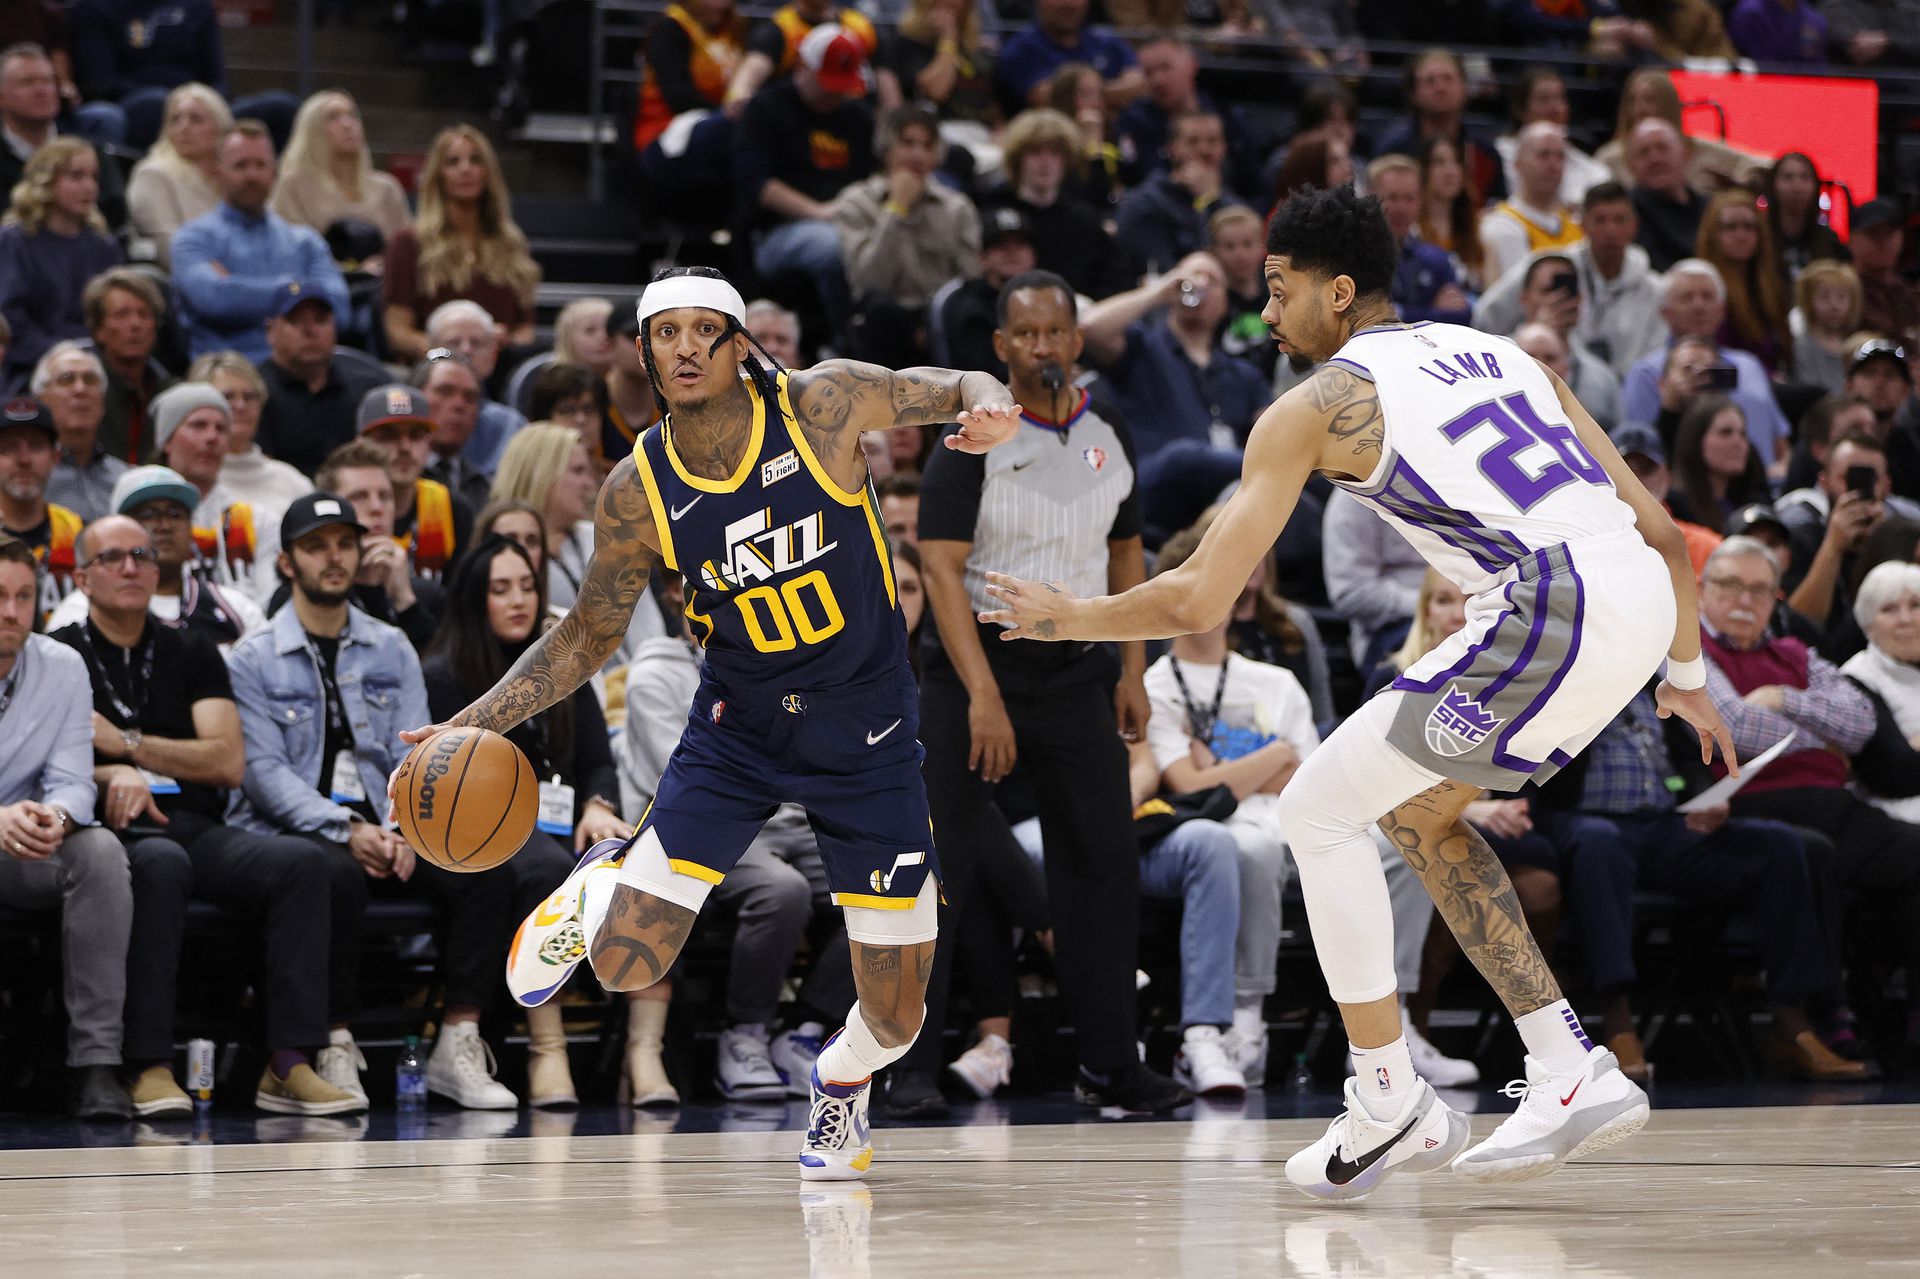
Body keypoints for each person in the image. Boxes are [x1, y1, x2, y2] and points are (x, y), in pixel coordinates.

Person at [983, 184, 1738, 1196]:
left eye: (1281, 288)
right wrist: (1683, 673)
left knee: (1316, 808)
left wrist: (1063, 615)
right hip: (1628, 596)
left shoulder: (1314, 406)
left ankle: (1392, 1095)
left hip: (1546, 602)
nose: (1268, 311)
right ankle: (1559, 1063)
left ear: (1338, 293)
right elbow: (1656, 527)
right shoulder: (1505, 352)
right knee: (1421, 817)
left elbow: (1204, 589)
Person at [398, 265, 1026, 1179]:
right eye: (667, 333)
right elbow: (584, 635)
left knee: (896, 1019)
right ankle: (602, 877)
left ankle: (838, 1089)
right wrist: (471, 724)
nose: (687, 347)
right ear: (646, 354)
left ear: (739, 345)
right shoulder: (635, 485)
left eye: (705, 330)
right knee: (620, 965)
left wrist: (992, 401)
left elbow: (955, 385)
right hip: (739, 732)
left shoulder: (824, 405)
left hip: (868, 742)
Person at [900, 267, 1188, 1117]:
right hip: (973, 668)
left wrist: (1134, 669)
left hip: (1077, 669)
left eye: (1054, 332)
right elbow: (941, 569)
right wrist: (983, 696)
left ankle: (1110, 1064)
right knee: (935, 868)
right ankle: (907, 1063)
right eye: (1023, 335)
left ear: (1075, 338)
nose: (1041, 347)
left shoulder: (1111, 428)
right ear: (1000, 346)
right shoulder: (972, 434)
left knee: (1102, 864)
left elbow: (1129, 550)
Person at [53, 513, 362, 1114]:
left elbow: (226, 761)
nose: (130, 567)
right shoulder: (61, 655)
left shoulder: (190, 649)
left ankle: (288, 1062)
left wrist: (126, 746)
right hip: (102, 829)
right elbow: (42, 760)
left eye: (142, 555)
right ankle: (148, 1064)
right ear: (83, 577)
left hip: (194, 822)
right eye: (112, 557)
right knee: (161, 865)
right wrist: (106, 772)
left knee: (302, 863)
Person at [228, 492, 521, 1110]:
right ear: (287, 563)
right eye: (315, 546)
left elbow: (420, 757)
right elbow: (264, 775)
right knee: (329, 872)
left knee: (486, 868)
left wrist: (406, 828)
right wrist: (347, 826)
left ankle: (459, 1040)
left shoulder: (391, 646)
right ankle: (335, 1042)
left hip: (395, 827)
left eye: (343, 543)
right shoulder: (252, 656)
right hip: (306, 829)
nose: (333, 558)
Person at [1147, 525, 1462, 1090]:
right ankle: (1247, 1022)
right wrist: (1273, 755)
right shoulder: (1154, 688)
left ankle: (1392, 1025)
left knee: (1405, 849)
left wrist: (1233, 770)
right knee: (1254, 848)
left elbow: (1310, 779)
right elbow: (1187, 786)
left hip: (1301, 823)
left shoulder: (1276, 681)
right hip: (1227, 833)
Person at [1535, 680, 1863, 1081]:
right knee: (1599, 844)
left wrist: (1709, 797)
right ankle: (1618, 1022)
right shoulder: (1554, 681)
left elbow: (1689, 762)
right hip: (1582, 819)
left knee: (1778, 846)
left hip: (1661, 824)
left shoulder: (1651, 687)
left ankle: (1790, 1019)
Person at [421, 534, 631, 1109]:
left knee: (641, 862)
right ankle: (547, 1048)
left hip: (564, 827)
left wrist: (598, 806)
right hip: (479, 832)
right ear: (473, 600)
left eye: (527, 586)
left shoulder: (560, 664)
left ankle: (646, 1051)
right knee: (545, 870)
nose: (518, 600)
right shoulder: (446, 674)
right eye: (500, 589)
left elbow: (596, 760)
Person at [1696, 536, 1920, 1066]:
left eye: (1759, 589)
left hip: (1831, 801)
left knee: (1916, 854)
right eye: (1729, 586)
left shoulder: (1795, 654)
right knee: (1809, 853)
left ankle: (1914, 1013)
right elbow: (1737, 728)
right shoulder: (1687, 656)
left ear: (1777, 598)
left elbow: (1861, 724)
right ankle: (1824, 1014)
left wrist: (1784, 698)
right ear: (1702, 591)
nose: (1744, 600)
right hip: (1747, 805)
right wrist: (1822, 732)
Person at [618, 567, 838, 1103]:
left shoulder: (775, 663)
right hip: (698, 829)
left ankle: (809, 1026)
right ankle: (746, 1034)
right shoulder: (654, 676)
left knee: (892, 879)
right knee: (780, 891)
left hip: (789, 817)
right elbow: (694, 781)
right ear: (678, 595)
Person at [0, 533, 149, 1120]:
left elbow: (75, 779)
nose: (10, 611)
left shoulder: (61, 665)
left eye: (23, 596)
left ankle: (96, 1065)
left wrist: (53, 817)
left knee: (102, 853)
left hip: (24, 848)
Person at [734, 24, 875, 346]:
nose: (834, 92)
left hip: (851, 217)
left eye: (842, 85)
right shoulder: (767, 109)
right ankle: (845, 342)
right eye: (827, 83)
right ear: (803, 66)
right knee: (833, 246)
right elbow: (757, 184)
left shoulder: (858, 116)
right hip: (776, 231)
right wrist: (820, 212)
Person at [172, 121, 350, 363]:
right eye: (240, 165)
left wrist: (236, 287)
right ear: (218, 173)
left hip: (302, 370)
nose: (252, 175)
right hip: (228, 375)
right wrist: (299, 290)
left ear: (274, 172)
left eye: (260, 165)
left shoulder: (305, 241)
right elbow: (214, 300)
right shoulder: (192, 238)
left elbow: (339, 309)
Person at [1079, 250, 1271, 468]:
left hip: (1225, 486)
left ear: (1225, 301)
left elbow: (1275, 438)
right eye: (1194, 276)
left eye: (1213, 281)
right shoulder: (1141, 346)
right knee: (1185, 456)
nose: (1202, 285)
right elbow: (1090, 328)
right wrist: (1159, 291)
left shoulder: (1243, 375)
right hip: (1158, 483)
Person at [44, 463, 266, 645]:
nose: (164, 525)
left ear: (191, 528)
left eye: (175, 514)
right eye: (148, 515)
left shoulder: (236, 609)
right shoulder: (79, 612)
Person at [1474, 181, 1667, 381]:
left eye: (1620, 220)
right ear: (1582, 225)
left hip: (1622, 392)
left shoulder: (1653, 289)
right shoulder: (1546, 267)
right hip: (1545, 378)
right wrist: (1535, 329)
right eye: (1600, 220)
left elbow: (1656, 359)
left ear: (1634, 226)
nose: (1610, 230)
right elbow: (1484, 322)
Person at [834, 104, 980, 365]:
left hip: (937, 316)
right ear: (885, 149)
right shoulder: (856, 202)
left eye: (927, 146)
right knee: (880, 309)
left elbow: (968, 281)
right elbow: (868, 282)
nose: (917, 154)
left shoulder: (957, 208)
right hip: (883, 319)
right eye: (908, 143)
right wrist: (896, 209)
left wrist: (935, 320)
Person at [382, 125, 540, 363]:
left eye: (475, 160)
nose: (466, 169)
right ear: (438, 174)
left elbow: (526, 330)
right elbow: (398, 334)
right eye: (453, 162)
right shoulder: (409, 243)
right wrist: (451, 351)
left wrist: (499, 342)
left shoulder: (512, 244)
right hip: (434, 368)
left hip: (500, 366)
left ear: (488, 172)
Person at [1621, 261, 1793, 474]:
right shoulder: (1646, 373)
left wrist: (1785, 468)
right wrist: (1672, 404)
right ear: (1665, 312)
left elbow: (1780, 441)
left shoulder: (1749, 365)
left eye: (1708, 297)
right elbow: (1639, 456)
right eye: (1687, 298)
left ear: (1721, 310)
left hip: (1761, 487)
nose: (1699, 306)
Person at [0, 137, 122, 380]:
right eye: (76, 176)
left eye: (94, 177)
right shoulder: (14, 242)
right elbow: (12, 321)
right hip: (31, 368)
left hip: (98, 368)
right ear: (46, 181)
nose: (89, 187)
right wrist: (62, 357)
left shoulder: (105, 246)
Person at [990, 108, 1127, 301]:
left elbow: (1112, 281)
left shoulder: (1085, 221)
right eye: (1035, 152)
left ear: (1066, 160)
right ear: (1018, 158)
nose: (1045, 162)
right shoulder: (994, 213)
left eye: (1054, 153)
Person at [630, 0, 749, 217]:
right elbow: (678, 97)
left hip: (718, 122)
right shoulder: (670, 29)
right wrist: (728, 112)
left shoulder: (730, 30)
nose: (720, 5)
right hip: (667, 131)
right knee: (736, 128)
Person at [255, 285, 385, 477]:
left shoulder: (363, 389)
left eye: (321, 320)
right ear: (270, 331)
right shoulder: (254, 393)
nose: (310, 331)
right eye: (296, 321)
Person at [354, 384, 471, 581]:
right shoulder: (347, 508)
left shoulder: (451, 508)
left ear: (429, 443)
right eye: (388, 436)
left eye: (416, 435)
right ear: (360, 446)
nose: (405, 447)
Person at [269, 89, 410, 245]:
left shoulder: (387, 188)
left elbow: (406, 250)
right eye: (333, 117)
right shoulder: (293, 185)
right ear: (311, 128)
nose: (347, 124)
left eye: (352, 115)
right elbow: (288, 249)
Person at [1114, 110, 1244, 278]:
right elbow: (1166, 274)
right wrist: (1206, 203)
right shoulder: (1144, 204)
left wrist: (1212, 200)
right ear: (1171, 148)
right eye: (1192, 141)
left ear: (1224, 148)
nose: (1204, 150)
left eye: (1213, 141)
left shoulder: (1235, 205)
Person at [1841, 560, 1920, 824]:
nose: (1906, 620)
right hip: (1895, 815)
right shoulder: (1856, 678)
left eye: (1916, 605)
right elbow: (1898, 773)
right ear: (1868, 625)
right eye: (1889, 609)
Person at [1375, 49, 1505, 203]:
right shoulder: (1394, 150)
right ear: (1413, 93)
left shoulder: (1485, 153)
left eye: (1448, 79)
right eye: (1430, 81)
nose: (1440, 88)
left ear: (1465, 88)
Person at [195, 350, 313, 519]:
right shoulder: (191, 480)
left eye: (249, 397)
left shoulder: (293, 481)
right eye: (228, 397)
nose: (241, 406)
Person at [1510, 254, 1622, 429]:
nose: (1559, 299)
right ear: (1524, 298)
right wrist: (1540, 335)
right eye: (1548, 291)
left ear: (1579, 300)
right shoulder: (1495, 358)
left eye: (1568, 292)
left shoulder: (1602, 377)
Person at [124, 81, 228, 267]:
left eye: (195, 119)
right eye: (175, 119)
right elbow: (167, 248)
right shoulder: (152, 174)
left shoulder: (232, 177)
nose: (184, 127)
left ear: (220, 127)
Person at [424, 299, 526, 476]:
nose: (466, 351)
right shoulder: (405, 416)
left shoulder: (510, 427)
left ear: (494, 356)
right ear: (429, 352)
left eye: (477, 343)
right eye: (454, 343)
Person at [0, 395, 81, 616]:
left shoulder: (79, 533)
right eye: (9, 448)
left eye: (35, 446)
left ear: (55, 456)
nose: (24, 459)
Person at [1695, 190, 1791, 375]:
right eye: (1730, 227)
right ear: (1712, 234)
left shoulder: (1770, 285)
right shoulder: (1706, 289)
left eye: (1749, 227)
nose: (1741, 235)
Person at [935, 205, 1034, 381]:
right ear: (983, 258)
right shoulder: (969, 307)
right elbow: (981, 375)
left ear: (1033, 256)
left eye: (1019, 244)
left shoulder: (1044, 299)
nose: (1012, 253)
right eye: (1001, 245)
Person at [994, 0, 1143, 115]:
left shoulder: (1107, 41)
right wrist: (1113, 92)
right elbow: (1046, 97)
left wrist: (1084, 92)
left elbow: (1137, 84)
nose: (1068, 3)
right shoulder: (1021, 49)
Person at [87, 269, 174, 464]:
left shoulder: (171, 392)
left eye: (144, 315)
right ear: (99, 329)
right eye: (121, 315)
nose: (135, 324)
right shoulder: (84, 390)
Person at [1479, 123, 1582, 287]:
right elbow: (1515, 295)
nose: (1553, 164)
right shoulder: (1501, 226)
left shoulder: (1578, 224)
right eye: (1543, 155)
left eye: (1560, 156)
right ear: (1517, 164)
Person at [1495, 69, 1609, 208]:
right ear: (1520, 110)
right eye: (1544, 99)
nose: (1555, 108)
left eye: (1560, 98)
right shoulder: (1501, 153)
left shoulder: (1588, 166)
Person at [39, 342, 126, 523]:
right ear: (41, 398)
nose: (80, 389)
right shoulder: (27, 478)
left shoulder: (125, 477)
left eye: (90, 380)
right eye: (66, 379)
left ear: (103, 401)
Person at [874, 0, 995, 128]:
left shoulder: (976, 51)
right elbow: (937, 92)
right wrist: (948, 39)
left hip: (983, 133)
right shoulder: (904, 46)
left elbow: (995, 109)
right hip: (934, 131)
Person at [1667, 395, 1772, 529]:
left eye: (1743, 434)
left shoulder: (1754, 504)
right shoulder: (1676, 507)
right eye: (1725, 432)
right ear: (1696, 440)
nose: (1738, 443)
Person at [413, 352, 493, 514]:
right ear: (415, 397)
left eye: (470, 397)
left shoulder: (485, 489)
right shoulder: (390, 480)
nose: (459, 405)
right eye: (445, 391)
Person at [1625, 119, 1706, 274]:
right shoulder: (1625, 215)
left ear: (1685, 154)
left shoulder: (1711, 209)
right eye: (1644, 152)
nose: (1655, 159)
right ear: (1630, 165)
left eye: (1663, 148)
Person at [1418, 136, 1487, 295]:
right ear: (1423, 170)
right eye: (1439, 162)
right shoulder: (1413, 230)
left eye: (1456, 162)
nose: (1450, 171)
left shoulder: (1478, 229)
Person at [1766, 152, 1844, 288]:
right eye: (1788, 177)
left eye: (1805, 177)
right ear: (1773, 185)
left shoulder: (1828, 239)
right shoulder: (1759, 235)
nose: (1797, 186)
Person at [1849, 198, 1919, 348]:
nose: (1884, 241)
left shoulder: (1905, 290)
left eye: (1890, 233)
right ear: (1853, 240)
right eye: (1874, 234)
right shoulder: (1845, 290)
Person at [1789, 261, 1865, 394]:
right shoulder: (1801, 346)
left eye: (1841, 297)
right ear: (1808, 302)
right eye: (1824, 297)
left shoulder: (1856, 344)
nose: (1834, 306)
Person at [552, 297, 617, 378]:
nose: (604, 336)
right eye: (590, 330)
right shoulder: (551, 384)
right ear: (568, 339)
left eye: (609, 328)